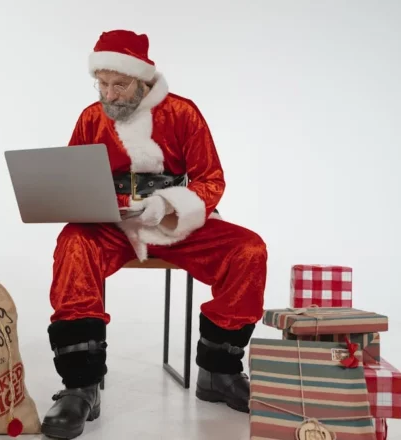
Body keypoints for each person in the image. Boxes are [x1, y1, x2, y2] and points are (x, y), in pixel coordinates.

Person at [41, 29, 268, 439]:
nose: (109, 94)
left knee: (248, 250)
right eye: (103, 84)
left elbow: (210, 179)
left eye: (119, 84)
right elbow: (71, 178)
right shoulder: (91, 118)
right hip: (109, 226)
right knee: (73, 245)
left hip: (175, 223)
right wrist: (89, 205)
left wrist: (167, 205)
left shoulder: (183, 113)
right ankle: (80, 387)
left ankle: (218, 373)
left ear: (143, 80)